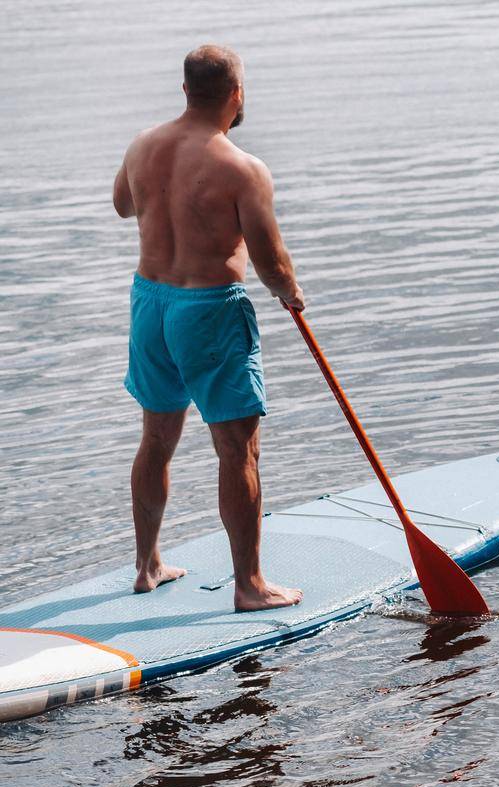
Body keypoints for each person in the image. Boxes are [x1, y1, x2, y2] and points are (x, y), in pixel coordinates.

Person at [113, 44, 304, 611]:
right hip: (210, 309)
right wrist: (290, 292)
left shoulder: (143, 144)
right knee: (237, 452)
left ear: (185, 91)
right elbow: (269, 263)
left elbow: (123, 206)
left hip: (151, 304)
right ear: (237, 94)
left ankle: (147, 565)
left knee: (156, 438)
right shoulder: (243, 168)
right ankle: (249, 585)